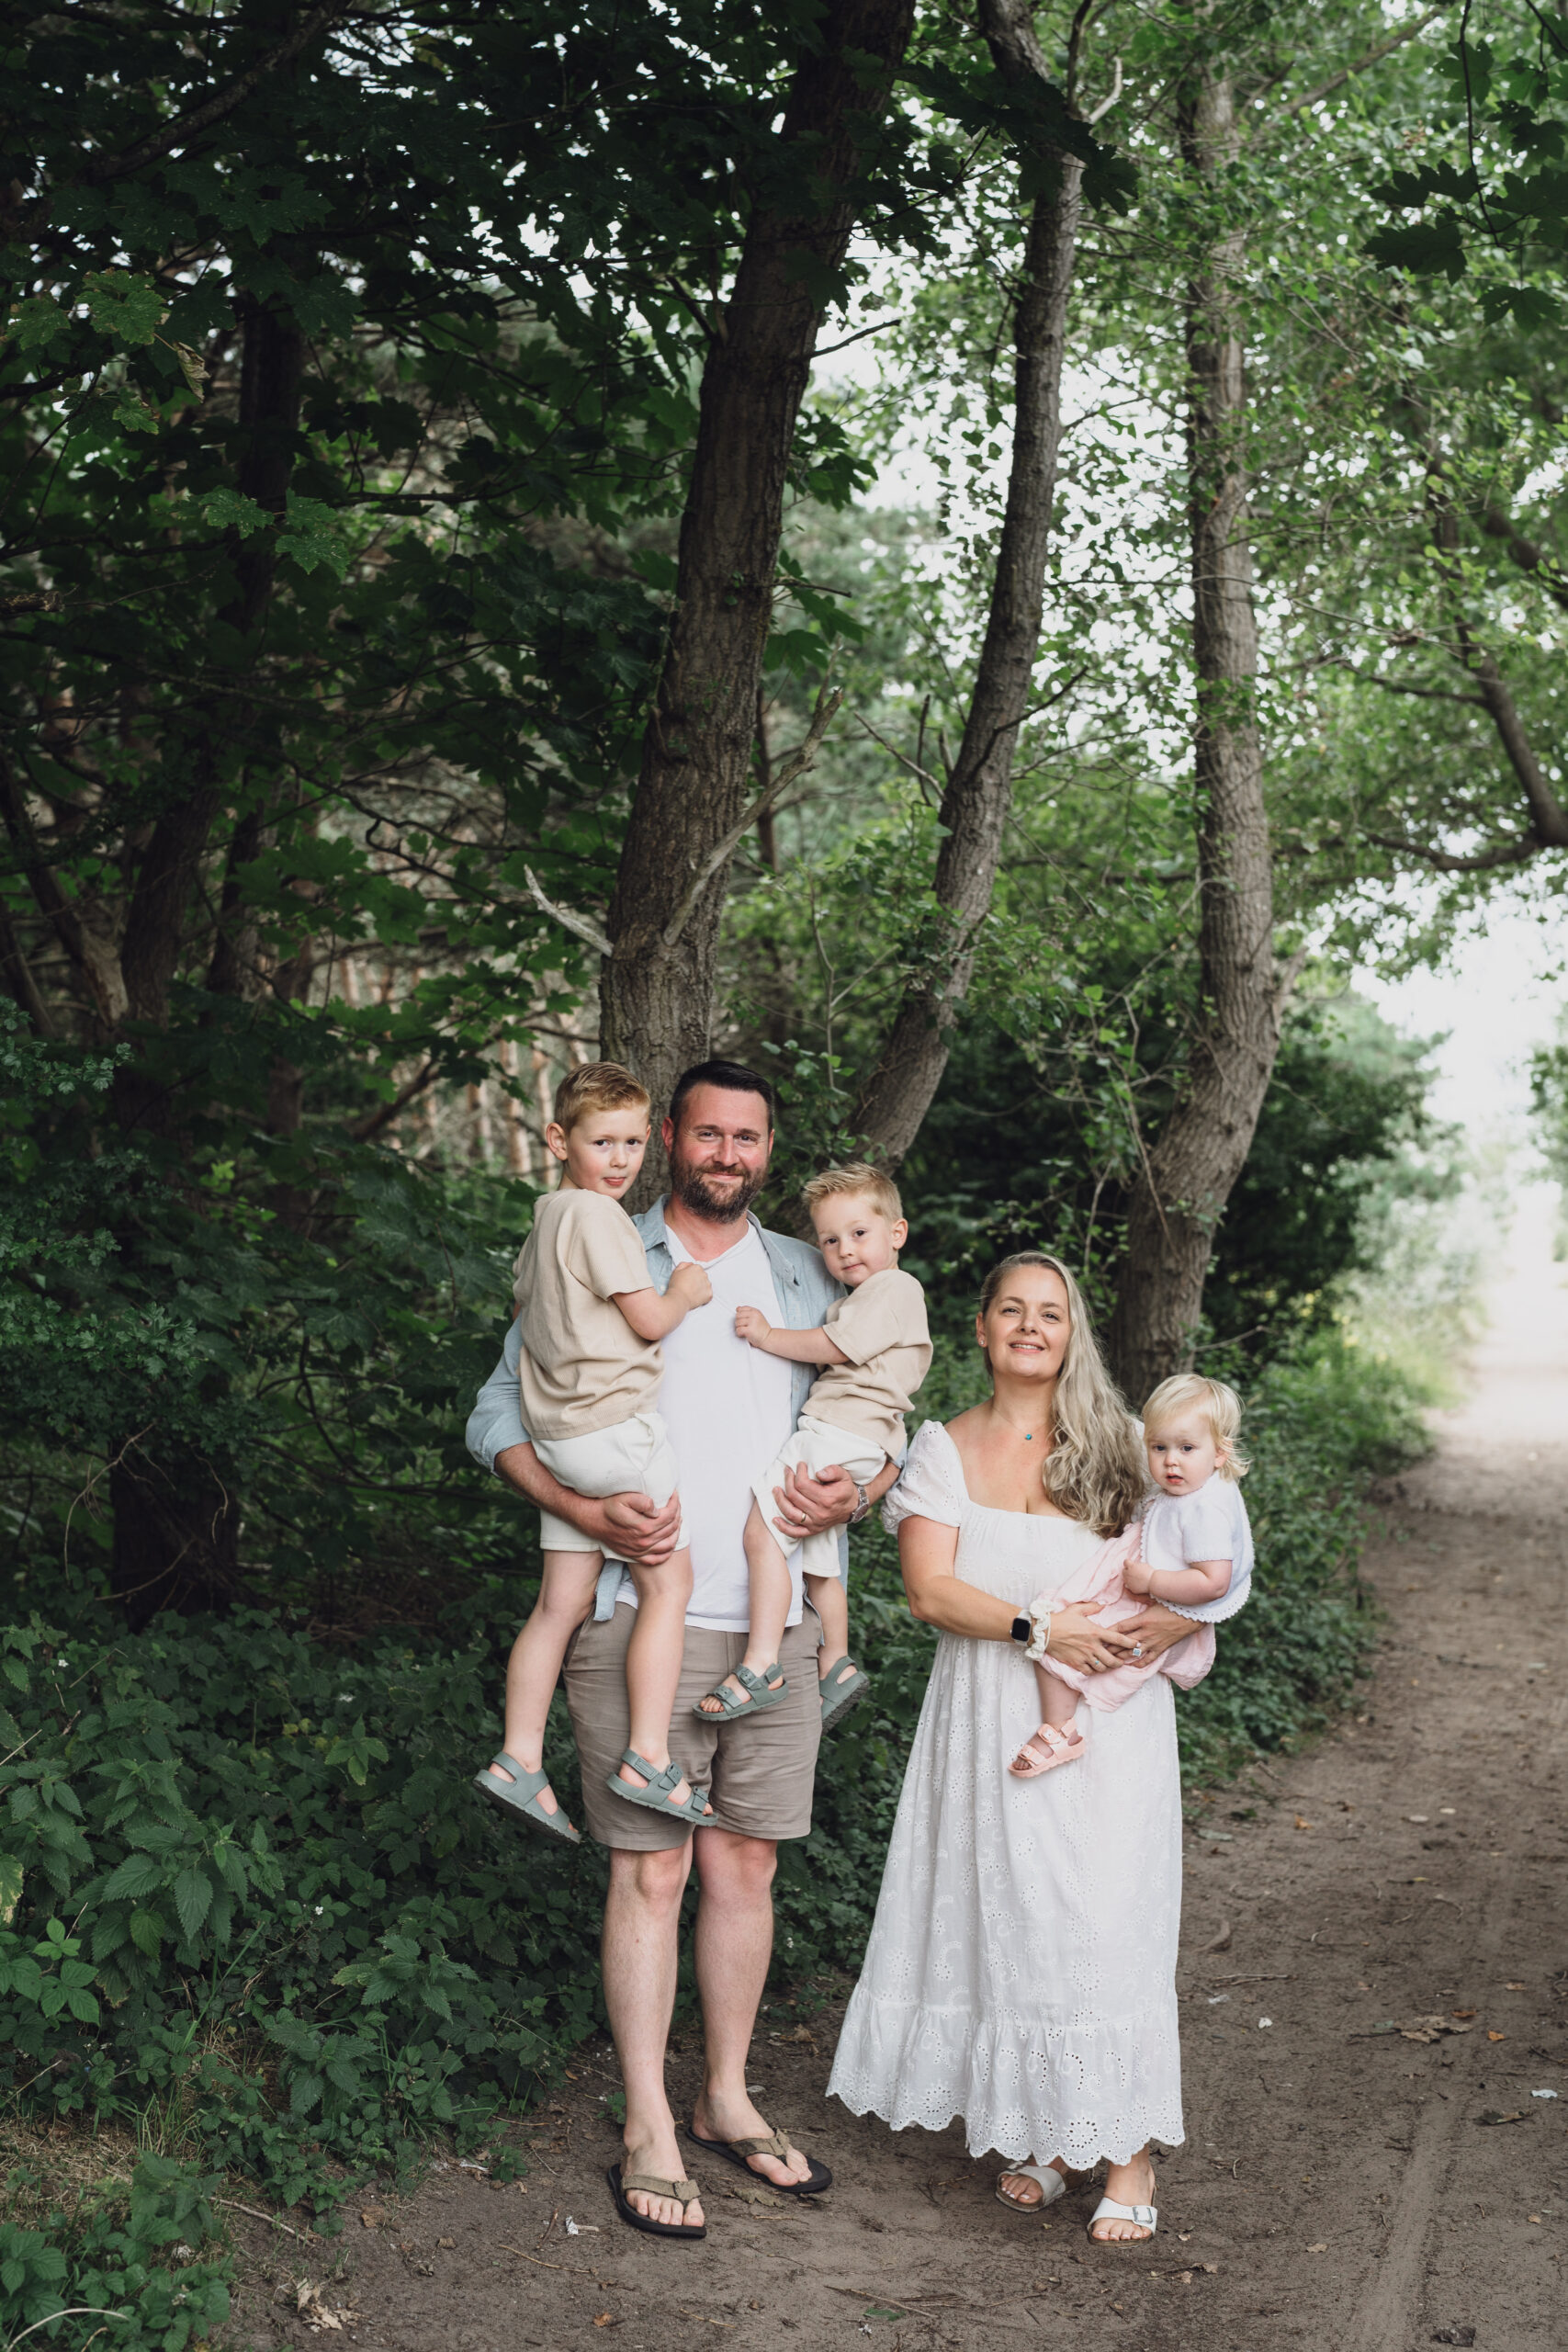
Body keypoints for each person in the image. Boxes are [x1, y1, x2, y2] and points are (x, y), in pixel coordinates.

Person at [466, 1059, 898, 2240]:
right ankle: (649, 2122)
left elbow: (884, 1409)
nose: (727, 1154)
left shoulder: (813, 1268)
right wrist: (583, 1509)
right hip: (636, 1609)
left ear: (768, 1149)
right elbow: (496, 1411)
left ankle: (725, 2096)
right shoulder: (606, 1240)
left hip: (776, 1628)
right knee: (651, 1871)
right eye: (708, 1134)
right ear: (669, 1136)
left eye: (746, 1138)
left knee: (746, 1867)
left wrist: (863, 1492)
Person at [827, 1251, 1235, 2246]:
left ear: (1071, 1332)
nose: (1029, 1326)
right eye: (1011, 1309)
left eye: (1049, 1312)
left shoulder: (1124, 1447)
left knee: (1103, 1920)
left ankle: (1129, 2150)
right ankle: (1055, 2136)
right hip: (989, 1710)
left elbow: (1208, 1555)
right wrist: (1039, 1628)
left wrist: (1177, 1623)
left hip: (1107, 1722)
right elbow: (929, 1591)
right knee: (1018, 1923)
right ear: (980, 1327)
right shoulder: (943, 1446)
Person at [473, 1062, 714, 1841]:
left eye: (633, 1143)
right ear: (558, 1140)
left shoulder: (544, 1217)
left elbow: (524, 1309)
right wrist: (684, 1291)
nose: (620, 1160)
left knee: (558, 1605)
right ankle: (648, 1755)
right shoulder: (600, 1217)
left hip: (560, 1443)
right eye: (602, 1142)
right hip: (616, 1434)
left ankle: (518, 1758)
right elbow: (648, 1320)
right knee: (668, 1587)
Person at [708, 1161, 931, 1734]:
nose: (844, 1249)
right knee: (818, 1560)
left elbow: (834, 1345)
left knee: (764, 1532)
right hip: (857, 1437)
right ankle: (836, 1661)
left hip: (837, 1430)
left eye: (859, 1233)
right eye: (830, 1240)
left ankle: (762, 1664)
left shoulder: (894, 1288)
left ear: (897, 1233)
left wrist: (766, 1336)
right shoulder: (878, 1294)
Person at [1006, 1368, 1248, 1781]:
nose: (1171, 1460)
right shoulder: (1188, 1492)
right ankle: (1061, 1726)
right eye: (1159, 1447)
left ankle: (1060, 1730)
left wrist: (1152, 1581)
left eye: (1187, 1448)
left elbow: (1214, 1582)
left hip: (1159, 1602)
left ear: (1220, 1453)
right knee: (1056, 1625)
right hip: (1146, 1593)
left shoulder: (1205, 1509)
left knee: (1059, 1638)